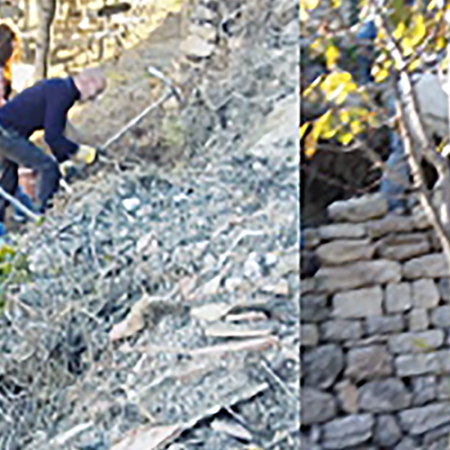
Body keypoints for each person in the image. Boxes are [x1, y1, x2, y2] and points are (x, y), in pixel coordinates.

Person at [0, 67, 106, 224]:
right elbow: (52, 137)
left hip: (7, 131)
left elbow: (55, 132)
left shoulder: (60, 88)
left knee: (8, 181)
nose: (93, 99)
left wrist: (64, 158)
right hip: (5, 132)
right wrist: (77, 151)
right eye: (96, 92)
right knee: (47, 167)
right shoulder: (62, 93)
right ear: (88, 83)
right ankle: (44, 217)